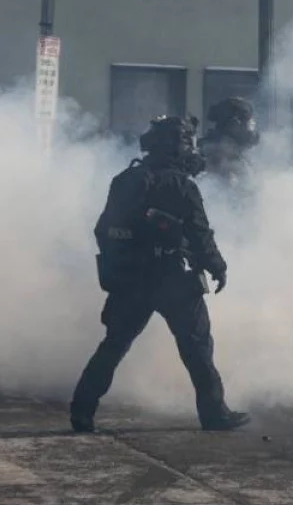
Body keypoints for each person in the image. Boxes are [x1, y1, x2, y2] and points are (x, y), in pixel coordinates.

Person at [70, 115, 250, 433]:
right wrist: (218, 267)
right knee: (197, 348)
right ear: (176, 146)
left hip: (131, 279)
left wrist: (123, 263)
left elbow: (103, 229)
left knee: (113, 346)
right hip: (173, 278)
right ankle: (214, 414)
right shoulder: (182, 185)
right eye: (187, 142)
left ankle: (82, 412)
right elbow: (200, 235)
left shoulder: (125, 180)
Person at [199, 97, 259, 188]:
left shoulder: (239, 158)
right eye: (248, 121)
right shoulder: (215, 156)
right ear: (234, 124)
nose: (252, 126)